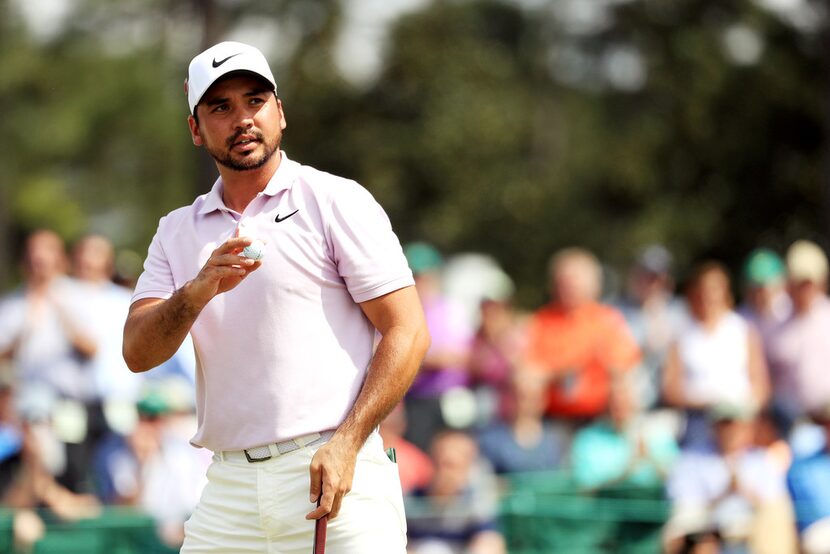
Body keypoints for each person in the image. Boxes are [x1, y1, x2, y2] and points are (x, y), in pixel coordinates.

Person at [122, 41, 430, 552]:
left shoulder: (334, 200)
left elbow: (409, 330)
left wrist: (348, 443)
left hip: (332, 471)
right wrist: (195, 293)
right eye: (220, 107)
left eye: (255, 101)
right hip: (227, 488)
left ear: (280, 113)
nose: (242, 118)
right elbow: (137, 351)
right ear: (196, 130)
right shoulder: (176, 231)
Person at [524, 247, 641, 422]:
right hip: (552, 418)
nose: (568, 286)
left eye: (574, 280)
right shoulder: (541, 321)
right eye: (563, 281)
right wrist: (560, 374)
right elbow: (529, 371)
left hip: (598, 418)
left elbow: (623, 367)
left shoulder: (607, 320)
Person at [663, 404, 797, 554]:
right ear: (713, 427)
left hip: (752, 534)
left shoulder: (763, 461)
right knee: (694, 533)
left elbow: (772, 507)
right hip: (709, 532)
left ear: (748, 427)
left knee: (776, 516)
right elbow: (687, 508)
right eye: (725, 425)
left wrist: (744, 492)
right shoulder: (691, 460)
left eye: (736, 425)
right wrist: (724, 494)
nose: (731, 431)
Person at [662, 261, 770, 448]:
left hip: (740, 423)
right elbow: (670, 390)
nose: (709, 296)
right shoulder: (682, 335)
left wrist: (743, 412)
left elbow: (761, 386)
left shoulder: (743, 330)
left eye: (715, 289)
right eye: (704, 289)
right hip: (698, 422)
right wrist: (710, 402)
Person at [765, 240, 830, 438]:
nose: (803, 289)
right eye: (798, 283)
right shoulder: (774, 321)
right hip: (788, 425)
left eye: (808, 283)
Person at [615, 244, 688, 410]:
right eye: (645, 276)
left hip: (670, 407)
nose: (650, 283)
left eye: (656, 278)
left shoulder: (680, 312)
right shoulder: (616, 311)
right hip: (629, 405)